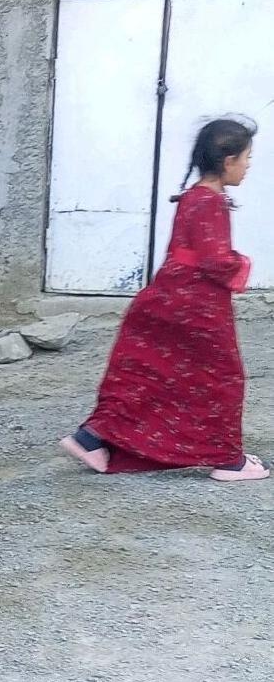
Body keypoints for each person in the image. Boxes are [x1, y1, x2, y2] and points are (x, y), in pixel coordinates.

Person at [61, 118, 267, 482]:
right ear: (227, 160)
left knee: (151, 376)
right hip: (196, 309)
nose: (249, 165)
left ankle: (91, 437)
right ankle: (227, 460)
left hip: (165, 301)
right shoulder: (211, 202)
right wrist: (243, 264)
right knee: (221, 379)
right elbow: (214, 260)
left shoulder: (193, 196)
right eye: (247, 157)